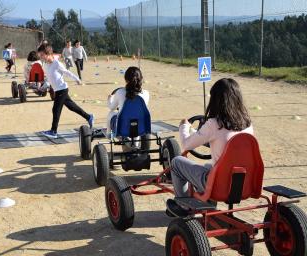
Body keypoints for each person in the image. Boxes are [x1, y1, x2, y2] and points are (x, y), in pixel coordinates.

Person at [167, 78, 253, 217]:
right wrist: (196, 133)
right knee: (208, 166)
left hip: (219, 185)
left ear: (216, 101)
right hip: (242, 183)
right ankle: (208, 205)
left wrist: (184, 126)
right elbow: (217, 140)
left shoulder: (214, 123)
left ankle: (183, 206)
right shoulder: (247, 124)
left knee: (177, 162)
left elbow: (186, 144)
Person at [37, 43, 94, 139]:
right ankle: (89, 117)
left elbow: (67, 72)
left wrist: (77, 79)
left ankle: (53, 131)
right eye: (40, 56)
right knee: (72, 107)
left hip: (62, 89)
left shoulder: (57, 63)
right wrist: (45, 85)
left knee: (55, 109)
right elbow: (49, 78)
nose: (41, 57)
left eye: (42, 55)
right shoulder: (46, 65)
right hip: (57, 90)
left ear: (49, 53)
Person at [106, 66, 149, 138]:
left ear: (126, 80)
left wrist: (109, 99)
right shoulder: (146, 93)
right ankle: (136, 143)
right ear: (141, 79)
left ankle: (108, 134)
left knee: (111, 113)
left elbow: (112, 107)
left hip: (122, 128)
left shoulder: (120, 92)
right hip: (141, 127)